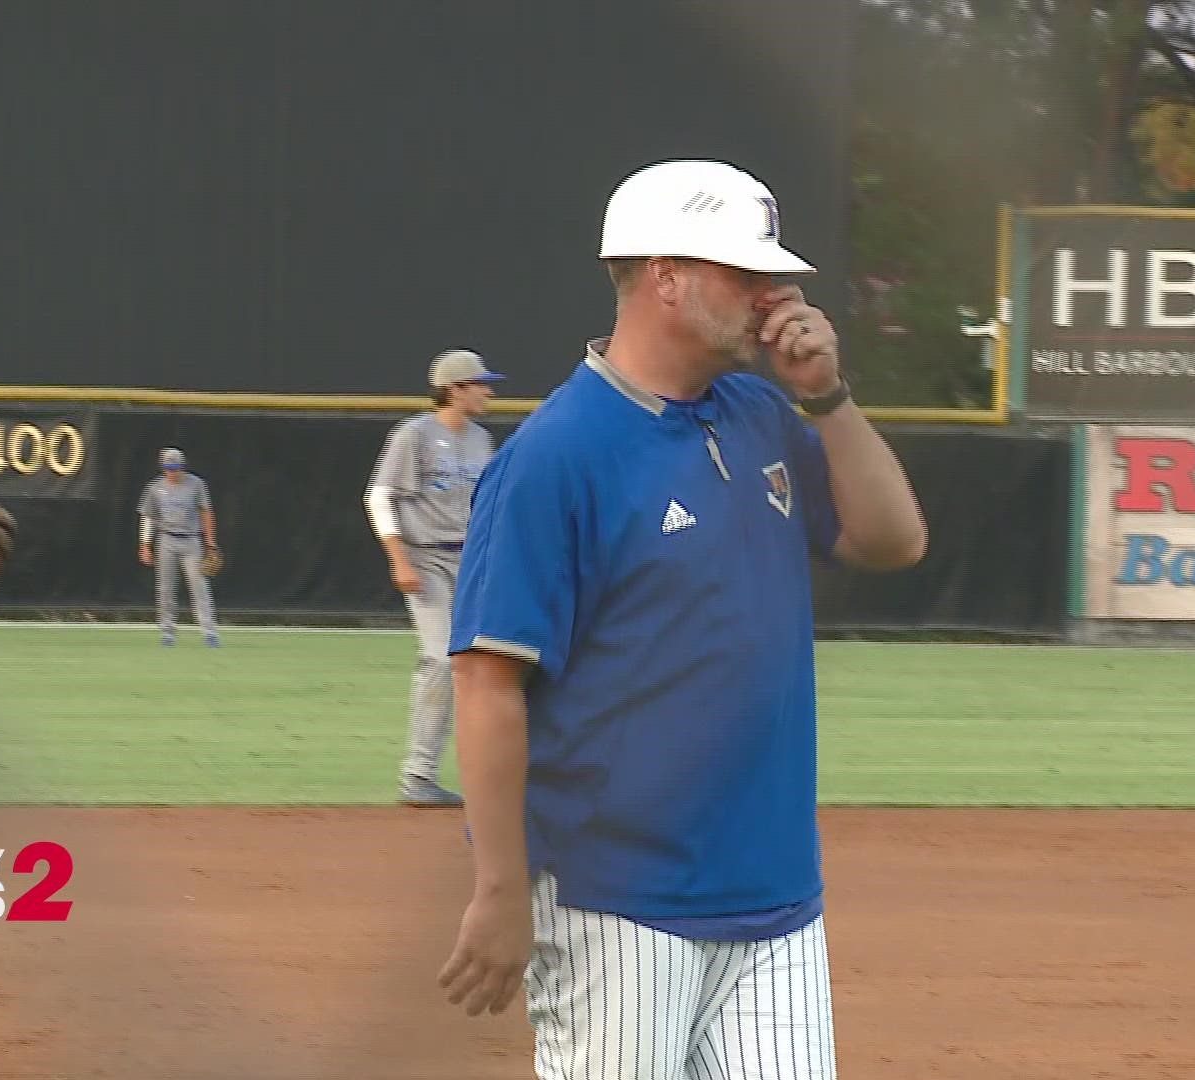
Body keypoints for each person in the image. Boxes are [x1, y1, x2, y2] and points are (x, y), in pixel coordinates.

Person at [436, 160, 928, 1079]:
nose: (773, 295)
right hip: (614, 902)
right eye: (745, 274)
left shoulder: (762, 413)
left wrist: (826, 395)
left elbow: (895, 542)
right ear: (665, 275)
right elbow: (487, 681)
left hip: (776, 896)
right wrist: (501, 891)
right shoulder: (558, 454)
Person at [364, 349, 504, 807]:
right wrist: (398, 558)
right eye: (480, 383)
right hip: (424, 558)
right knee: (441, 660)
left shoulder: (482, 440)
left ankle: (498, 772)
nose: (488, 391)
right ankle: (418, 775)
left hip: (472, 561)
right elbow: (380, 497)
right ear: (454, 388)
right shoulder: (414, 435)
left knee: (491, 662)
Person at [137, 447, 220, 647]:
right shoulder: (155, 487)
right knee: (166, 587)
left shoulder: (196, 484)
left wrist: (210, 541)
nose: (172, 472)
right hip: (167, 540)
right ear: (163, 468)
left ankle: (209, 632)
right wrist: (145, 544)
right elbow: (148, 517)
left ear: (182, 466)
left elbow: (206, 512)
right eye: (168, 468)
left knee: (199, 586)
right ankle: (168, 632)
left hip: (191, 539)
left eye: (175, 468)